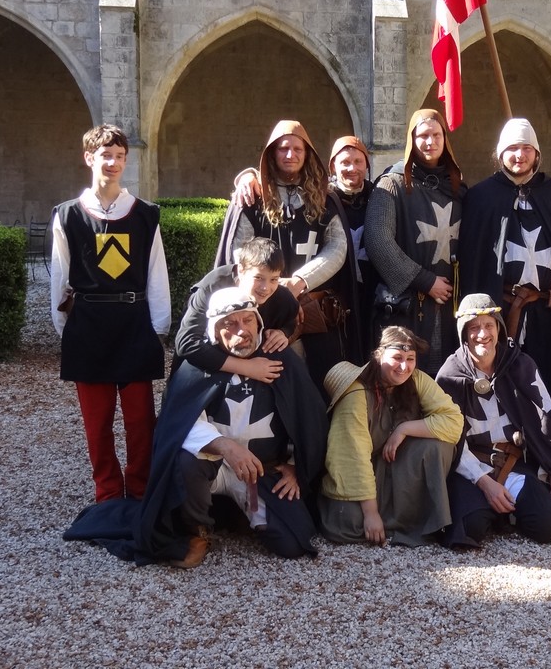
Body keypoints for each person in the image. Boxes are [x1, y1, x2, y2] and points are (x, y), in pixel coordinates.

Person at [64, 288, 328, 567]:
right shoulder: (199, 364)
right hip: (211, 466)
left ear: (258, 321)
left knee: (292, 542)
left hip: (260, 470)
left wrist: (295, 466)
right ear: (214, 328)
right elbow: (179, 423)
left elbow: (308, 419)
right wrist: (226, 446)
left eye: (248, 320)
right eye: (230, 323)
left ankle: (243, 514)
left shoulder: (280, 359)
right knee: (185, 462)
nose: (241, 331)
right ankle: (197, 531)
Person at [50, 124, 170, 503]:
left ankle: (139, 489)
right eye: (106, 155)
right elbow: (60, 277)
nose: (113, 163)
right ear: (89, 158)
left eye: (120, 156)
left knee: (140, 421)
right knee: (97, 422)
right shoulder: (68, 215)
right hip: (88, 326)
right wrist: (66, 328)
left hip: (134, 324)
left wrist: (159, 326)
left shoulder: (145, 215)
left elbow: (156, 273)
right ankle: (107, 492)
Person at [436, 294, 551, 547]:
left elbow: (545, 422)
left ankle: (506, 511)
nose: (482, 334)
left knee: (546, 527)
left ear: (498, 327)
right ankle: (493, 510)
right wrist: (485, 483)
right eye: (474, 327)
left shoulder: (520, 365)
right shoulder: (450, 375)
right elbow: (449, 439)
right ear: (464, 333)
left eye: (489, 325)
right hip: (471, 468)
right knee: (470, 528)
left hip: (513, 465)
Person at [218, 119, 361, 386]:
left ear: (307, 154)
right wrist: (270, 285)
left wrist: (299, 282)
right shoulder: (254, 197)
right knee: (267, 381)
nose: (290, 154)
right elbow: (239, 250)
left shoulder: (325, 197)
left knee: (322, 384)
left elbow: (337, 247)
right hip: (264, 308)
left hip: (315, 309)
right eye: (283, 148)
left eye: (297, 149)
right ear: (272, 153)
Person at [459, 117, 551, 393]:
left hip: (546, 313)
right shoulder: (481, 197)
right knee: (502, 384)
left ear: (537, 154)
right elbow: (474, 261)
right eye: (513, 148)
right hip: (500, 311)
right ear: (500, 154)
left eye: (527, 148)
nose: (520, 155)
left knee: (546, 382)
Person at [319, 326, 464, 546]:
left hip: (394, 467)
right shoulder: (356, 392)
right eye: (397, 358)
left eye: (410, 359)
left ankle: (405, 520)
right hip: (358, 473)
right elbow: (353, 455)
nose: (404, 367)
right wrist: (370, 513)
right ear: (379, 356)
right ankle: (393, 520)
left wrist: (403, 429)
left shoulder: (417, 379)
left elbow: (454, 422)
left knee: (438, 445)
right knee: (349, 523)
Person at [364, 109, 466, 375]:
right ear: (411, 139)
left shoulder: (456, 186)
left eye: (436, 135)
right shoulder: (392, 184)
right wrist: (425, 280)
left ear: (445, 138)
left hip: (450, 303)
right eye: (423, 136)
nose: (430, 141)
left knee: (447, 377)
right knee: (403, 375)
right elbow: (378, 240)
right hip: (408, 304)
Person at [173, 237, 298, 379]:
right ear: (241, 271)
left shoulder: (282, 296)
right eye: (258, 278)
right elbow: (187, 343)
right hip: (203, 373)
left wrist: (283, 332)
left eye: (274, 279)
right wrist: (247, 368)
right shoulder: (211, 288)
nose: (266, 288)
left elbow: (291, 320)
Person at [328, 136, 379, 346]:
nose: (352, 168)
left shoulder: (379, 197)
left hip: (372, 291)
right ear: (333, 165)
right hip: (337, 293)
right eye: (345, 162)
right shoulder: (322, 199)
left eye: (358, 161)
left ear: (367, 164)